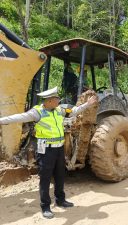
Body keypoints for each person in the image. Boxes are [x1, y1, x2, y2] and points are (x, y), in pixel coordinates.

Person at [0, 86, 98, 219]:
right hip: (45, 150)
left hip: (59, 148)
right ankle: (45, 206)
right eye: (57, 99)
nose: (59, 100)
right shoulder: (37, 112)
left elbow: (74, 111)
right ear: (49, 101)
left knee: (60, 174)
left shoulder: (59, 110)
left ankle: (60, 200)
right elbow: (19, 117)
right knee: (45, 178)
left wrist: (87, 104)